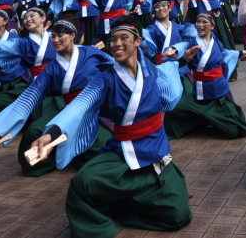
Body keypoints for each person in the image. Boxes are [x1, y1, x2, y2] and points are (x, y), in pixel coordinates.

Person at [25, 15, 192, 238]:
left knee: (177, 215)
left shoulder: (151, 69)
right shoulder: (104, 78)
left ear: (138, 41)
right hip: (122, 149)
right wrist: (51, 134)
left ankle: (127, 207)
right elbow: (79, 107)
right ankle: (98, 226)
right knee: (82, 183)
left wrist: (182, 61)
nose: (117, 44)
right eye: (113, 39)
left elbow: (170, 91)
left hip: (155, 149)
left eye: (124, 38)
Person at [0, 19, 112, 176]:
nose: (56, 40)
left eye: (60, 36)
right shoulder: (50, 70)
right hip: (67, 111)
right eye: (53, 36)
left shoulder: (90, 53)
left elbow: (115, 67)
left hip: (96, 111)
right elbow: (27, 100)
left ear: (72, 35)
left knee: (103, 146)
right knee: (34, 133)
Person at [163, 12, 246, 139]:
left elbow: (225, 53)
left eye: (204, 22)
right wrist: (174, 49)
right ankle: (200, 121)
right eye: (198, 22)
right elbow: (182, 45)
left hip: (217, 93)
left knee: (234, 130)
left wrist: (240, 53)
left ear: (212, 26)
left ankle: (213, 119)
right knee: (174, 110)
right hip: (199, 92)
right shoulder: (191, 42)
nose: (200, 25)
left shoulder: (216, 41)